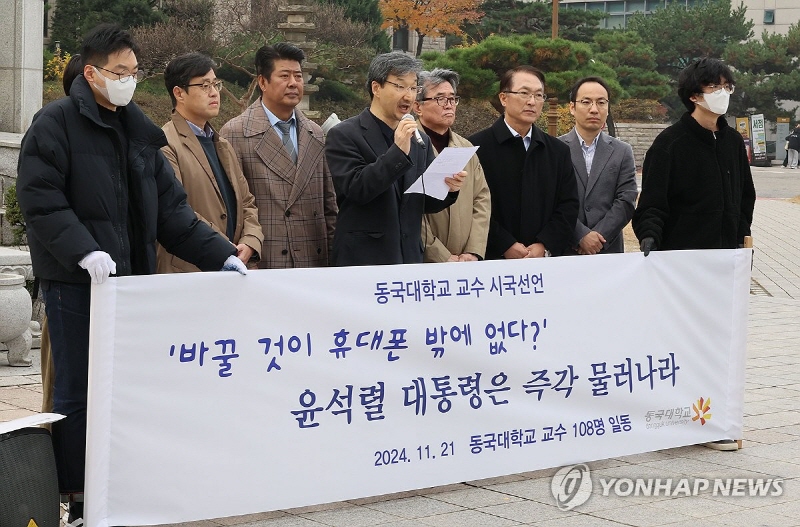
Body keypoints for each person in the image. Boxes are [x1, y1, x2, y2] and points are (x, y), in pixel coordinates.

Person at [16, 24, 246, 522]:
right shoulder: (54, 123)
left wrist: (221, 254)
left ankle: (121, 485)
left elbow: (173, 213)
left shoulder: (137, 131)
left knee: (127, 387)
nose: (128, 81)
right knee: (78, 388)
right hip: (77, 282)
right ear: (92, 73)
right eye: (119, 72)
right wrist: (83, 250)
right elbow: (40, 199)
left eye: (134, 72)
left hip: (132, 286)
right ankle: (78, 496)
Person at [632, 57, 755, 451]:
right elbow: (652, 204)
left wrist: (741, 237)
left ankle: (715, 422)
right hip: (683, 265)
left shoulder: (732, 142)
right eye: (714, 87)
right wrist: (650, 239)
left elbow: (746, 197)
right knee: (682, 347)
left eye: (726, 86)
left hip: (724, 264)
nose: (723, 94)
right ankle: (674, 419)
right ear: (694, 96)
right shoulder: (671, 143)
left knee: (720, 346)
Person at [324, 52, 465, 266]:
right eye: (400, 86)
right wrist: (397, 153)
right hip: (364, 261)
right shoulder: (344, 134)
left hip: (409, 258)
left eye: (413, 88)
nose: (408, 96)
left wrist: (449, 189)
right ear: (376, 88)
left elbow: (423, 203)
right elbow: (356, 189)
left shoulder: (420, 140)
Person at [220, 42, 336, 268]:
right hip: (265, 261)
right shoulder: (236, 133)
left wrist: (334, 258)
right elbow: (230, 210)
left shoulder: (314, 132)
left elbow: (329, 205)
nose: (293, 83)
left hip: (314, 260)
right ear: (262, 82)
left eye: (298, 76)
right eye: (284, 76)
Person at [159, 52, 264, 273]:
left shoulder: (222, 144)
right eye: (204, 85)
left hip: (233, 268)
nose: (214, 92)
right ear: (179, 93)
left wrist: (250, 241)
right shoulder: (165, 145)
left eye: (216, 84)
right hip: (188, 271)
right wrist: (224, 249)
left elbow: (247, 202)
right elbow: (177, 211)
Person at [468, 65, 578, 259]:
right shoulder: (475, 147)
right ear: (503, 98)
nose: (532, 102)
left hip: (542, 261)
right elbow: (470, 205)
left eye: (538, 95)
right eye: (524, 93)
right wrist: (504, 244)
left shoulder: (557, 151)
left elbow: (568, 205)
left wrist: (545, 244)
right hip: (492, 259)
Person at [414, 68, 490, 262]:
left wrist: (474, 250)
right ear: (418, 106)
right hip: (422, 261)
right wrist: (440, 255)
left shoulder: (465, 147)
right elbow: (409, 209)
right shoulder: (406, 145)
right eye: (440, 99)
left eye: (452, 99)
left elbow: (481, 199)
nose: (449, 105)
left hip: (465, 262)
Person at [558, 76, 637, 254]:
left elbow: (626, 199)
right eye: (586, 102)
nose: (594, 109)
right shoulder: (555, 149)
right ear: (572, 107)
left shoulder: (622, 151)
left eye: (601, 103)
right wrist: (580, 235)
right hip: (565, 248)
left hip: (608, 249)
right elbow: (550, 200)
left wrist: (599, 236)